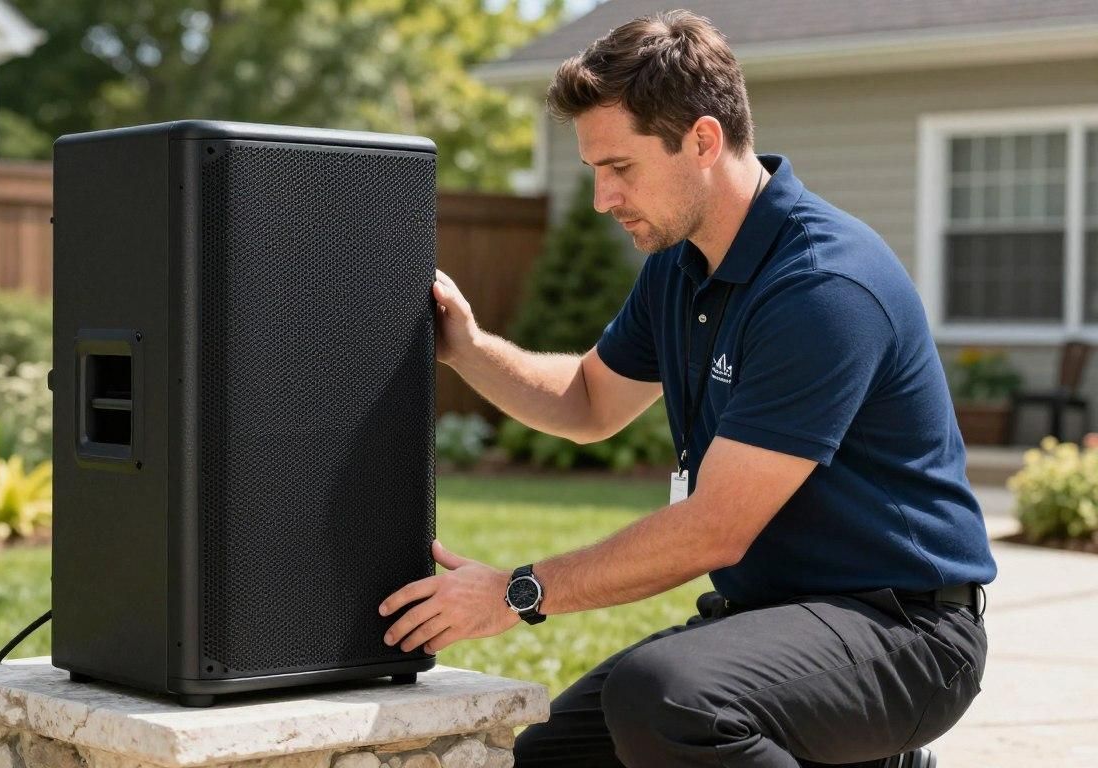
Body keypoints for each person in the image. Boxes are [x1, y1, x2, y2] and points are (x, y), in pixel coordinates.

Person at [377, 9, 996, 768]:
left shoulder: (823, 285)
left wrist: (516, 592)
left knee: (667, 699)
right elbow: (588, 400)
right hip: (777, 619)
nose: (603, 198)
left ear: (703, 140)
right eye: (594, 171)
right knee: (551, 759)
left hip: (908, 637)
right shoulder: (681, 268)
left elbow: (714, 529)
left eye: (620, 168)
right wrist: (469, 351)